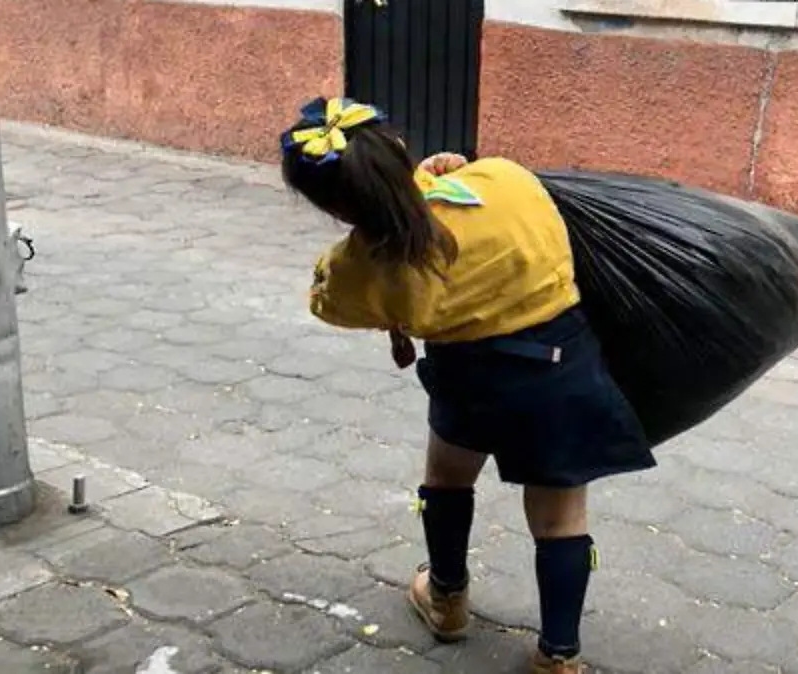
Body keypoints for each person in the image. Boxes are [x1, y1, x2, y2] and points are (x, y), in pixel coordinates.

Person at [281, 96, 656, 674]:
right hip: (558, 375)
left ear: (332, 205)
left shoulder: (361, 269)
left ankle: (447, 599)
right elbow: (492, 205)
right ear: (399, 148)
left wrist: (395, 206)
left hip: (468, 380)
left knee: (447, 479)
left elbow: (326, 299)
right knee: (560, 518)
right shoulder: (506, 182)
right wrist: (433, 180)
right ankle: (558, 657)